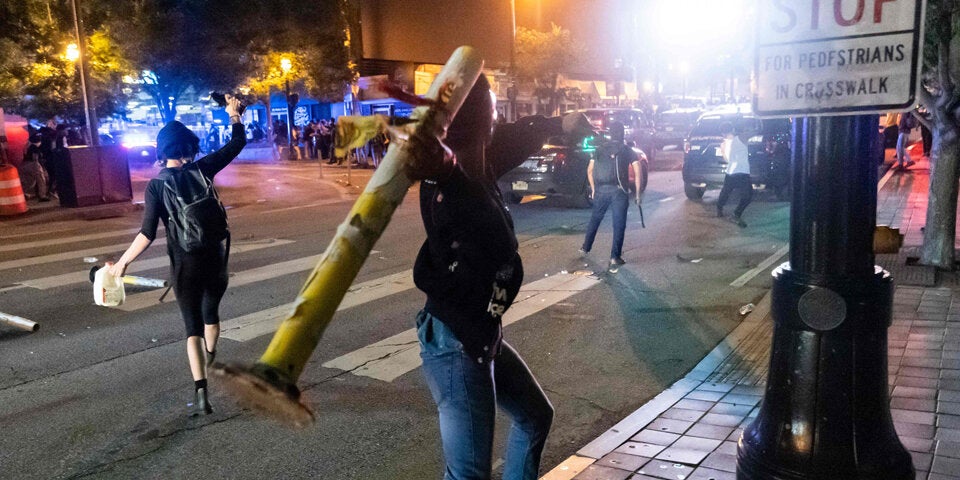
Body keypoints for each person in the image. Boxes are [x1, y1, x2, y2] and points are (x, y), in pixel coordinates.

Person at [403, 74, 592, 480]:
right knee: (468, 475)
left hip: (482, 333)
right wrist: (441, 167)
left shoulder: (482, 159)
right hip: (456, 343)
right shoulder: (448, 182)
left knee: (535, 417)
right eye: (491, 107)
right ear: (474, 118)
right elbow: (460, 195)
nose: (497, 116)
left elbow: (517, 136)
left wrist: (558, 124)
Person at [107, 95, 246, 417]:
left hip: (186, 264)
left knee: (191, 327)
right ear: (189, 146)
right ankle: (212, 355)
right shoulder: (203, 169)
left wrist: (123, 263)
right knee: (211, 314)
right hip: (216, 258)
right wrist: (234, 115)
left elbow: (146, 233)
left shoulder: (156, 186)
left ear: (163, 150)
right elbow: (237, 143)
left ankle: (201, 393)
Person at [579, 121, 642, 273]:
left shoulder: (599, 149)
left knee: (595, 219)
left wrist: (594, 189)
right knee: (619, 224)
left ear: (610, 133)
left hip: (601, 190)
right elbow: (638, 172)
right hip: (619, 191)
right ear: (622, 133)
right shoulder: (627, 150)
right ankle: (615, 257)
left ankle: (585, 247)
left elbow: (590, 170)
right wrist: (638, 194)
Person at [716, 122, 752, 228]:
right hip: (743, 172)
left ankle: (719, 208)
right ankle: (736, 213)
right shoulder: (742, 137)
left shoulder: (723, 144)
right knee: (748, 195)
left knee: (726, 192)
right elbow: (754, 131)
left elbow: (727, 160)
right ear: (732, 129)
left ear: (722, 133)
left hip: (731, 172)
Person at [19, 134, 51, 201]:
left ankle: (21, 193)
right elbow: (35, 158)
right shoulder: (34, 147)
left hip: (24, 164)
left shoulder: (27, 145)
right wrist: (41, 164)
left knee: (29, 182)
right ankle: (42, 196)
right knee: (41, 179)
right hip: (33, 164)